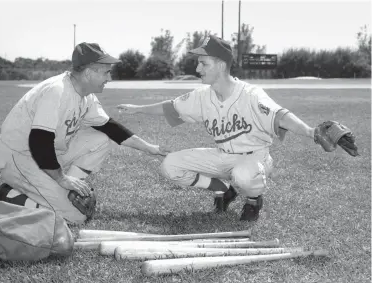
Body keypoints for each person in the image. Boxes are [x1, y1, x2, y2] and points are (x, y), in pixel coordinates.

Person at [117, 35, 358, 222]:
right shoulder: (203, 96)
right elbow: (170, 107)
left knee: (244, 175)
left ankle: (253, 200)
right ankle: (223, 188)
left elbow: (280, 115)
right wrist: (137, 109)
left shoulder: (250, 94)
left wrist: (311, 131)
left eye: (203, 63)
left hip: (256, 158)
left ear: (221, 65)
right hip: (223, 157)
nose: (198, 69)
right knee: (170, 165)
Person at [0, 42, 169, 225]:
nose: (109, 78)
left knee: (99, 139)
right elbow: (39, 141)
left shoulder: (86, 96)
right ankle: (9, 197)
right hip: (20, 158)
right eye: (106, 72)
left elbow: (110, 127)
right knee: (76, 216)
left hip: (43, 156)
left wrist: (150, 148)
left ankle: (65, 192)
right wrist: (61, 178)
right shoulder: (56, 91)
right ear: (89, 73)